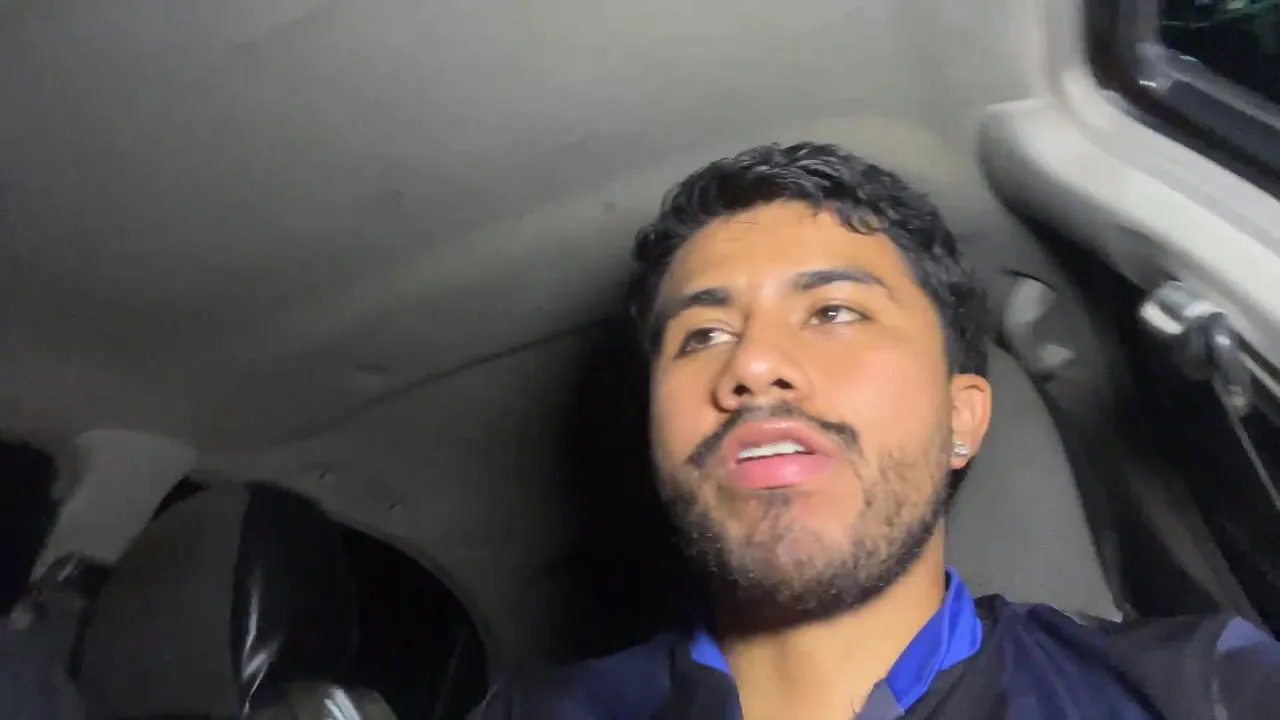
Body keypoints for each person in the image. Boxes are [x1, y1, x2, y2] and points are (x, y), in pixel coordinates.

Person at [471, 142, 1280, 719]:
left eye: (833, 312)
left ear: (962, 418)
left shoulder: (1198, 691)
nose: (752, 363)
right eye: (703, 334)